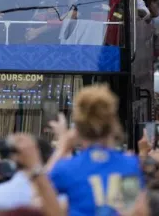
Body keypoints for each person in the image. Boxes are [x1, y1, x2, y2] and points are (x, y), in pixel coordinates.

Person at [49, 85, 143, 215]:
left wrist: (62, 146)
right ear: (113, 125)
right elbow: (133, 210)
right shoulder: (131, 164)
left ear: (77, 130)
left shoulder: (66, 168)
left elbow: (37, 193)